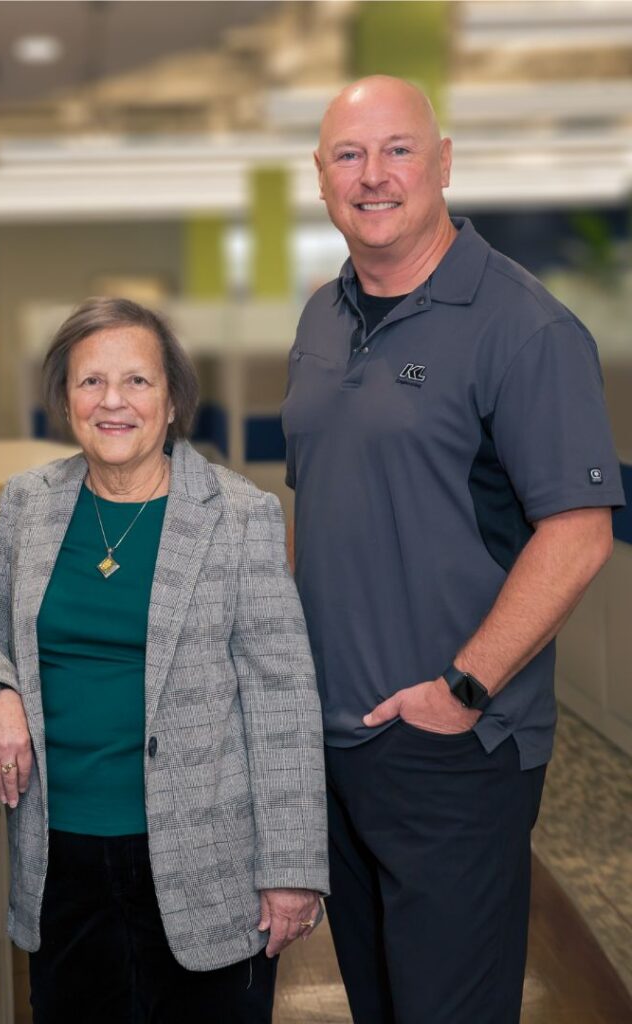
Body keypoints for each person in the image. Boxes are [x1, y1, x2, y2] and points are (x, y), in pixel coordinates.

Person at [281, 75, 626, 1024]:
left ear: (443, 164)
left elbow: (579, 532)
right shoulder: (321, 317)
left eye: (398, 149)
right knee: (380, 1003)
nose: (374, 174)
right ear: (320, 177)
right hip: (337, 741)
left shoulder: (527, 328)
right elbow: (317, 505)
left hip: (455, 749)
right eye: (348, 154)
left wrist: (462, 689)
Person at [0, 297, 327, 1023]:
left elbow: (283, 697)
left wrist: (291, 871)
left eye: (137, 382)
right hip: (62, 860)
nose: (112, 401)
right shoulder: (32, 504)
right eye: (90, 382)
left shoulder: (238, 515)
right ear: (64, 399)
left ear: (175, 398)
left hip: (207, 863)